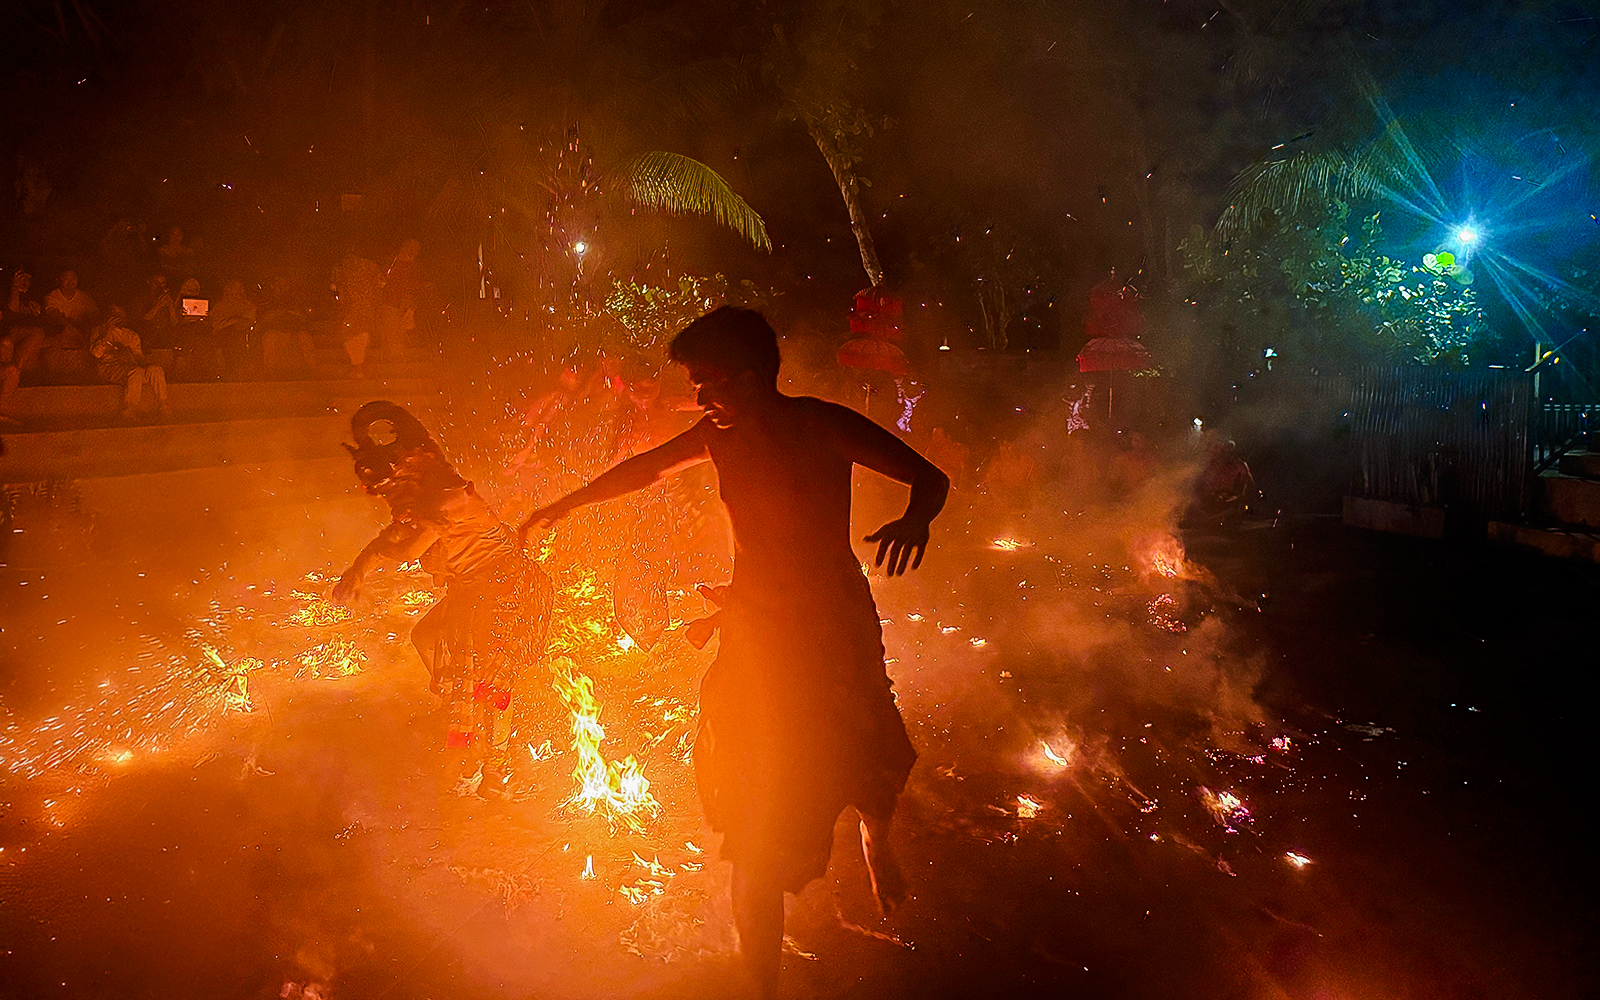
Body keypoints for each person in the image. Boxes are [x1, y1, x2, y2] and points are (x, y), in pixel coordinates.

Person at [518, 307, 948, 998]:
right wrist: (562, 506)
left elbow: (931, 478)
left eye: (709, 383)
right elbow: (643, 471)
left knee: (864, 736)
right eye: (695, 384)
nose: (700, 398)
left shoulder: (818, 423)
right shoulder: (716, 437)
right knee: (756, 811)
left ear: (751, 379)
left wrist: (915, 519)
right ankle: (761, 982)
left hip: (831, 623)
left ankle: (876, 837)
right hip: (755, 631)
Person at [333, 401, 553, 795]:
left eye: (391, 487)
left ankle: (495, 770)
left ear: (412, 472)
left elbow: (404, 550)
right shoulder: (424, 505)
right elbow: (396, 540)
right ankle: (463, 725)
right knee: (428, 638)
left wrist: (360, 569)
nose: (388, 498)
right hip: (472, 592)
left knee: (491, 688)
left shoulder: (450, 501)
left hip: (506, 594)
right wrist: (358, 570)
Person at [91, 306, 170, 421]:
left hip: (128, 367)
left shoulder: (131, 335)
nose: (117, 319)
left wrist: (142, 361)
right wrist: (107, 333)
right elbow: (96, 354)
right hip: (108, 367)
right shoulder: (98, 331)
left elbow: (139, 358)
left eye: (119, 316)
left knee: (156, 370)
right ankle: (129, 409)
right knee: (136, 372)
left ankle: (163, 405)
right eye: (113, 315)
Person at [1, 270, 47, 424]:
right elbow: (11, 311)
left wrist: (35, 314)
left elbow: (41, 323)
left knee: (12, 370)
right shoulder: (6, 291)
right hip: (7, 337)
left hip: (19, 339)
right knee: (5, 344)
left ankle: (1, 410)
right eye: (20, 278)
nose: (23, 282)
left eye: (27, 278)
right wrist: (14, 289)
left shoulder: (34, 296)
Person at [332, 251, 384, 379]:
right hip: (366, 309)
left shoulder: (340, 267)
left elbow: (334, 289)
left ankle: (358, 368)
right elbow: (382, 283)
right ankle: (359, 368)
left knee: (351, 337)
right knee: (359, 336)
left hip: (350, 310)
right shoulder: (370, 265)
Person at [379, 238, 422, 357]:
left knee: (396, 328)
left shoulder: (402, 263)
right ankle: (395, 355)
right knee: (394, 328)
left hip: (399, 301)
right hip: (395, 300)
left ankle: (396, 354)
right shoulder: (397, 262)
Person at [211, 279, 257, 377]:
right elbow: (216, 324)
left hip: (241, 337)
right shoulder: (220, 306)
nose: (239, 291)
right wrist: (232, 321)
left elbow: (248, 322)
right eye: (235, 288)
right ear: (228, 290)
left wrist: (233, 322)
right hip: (222, 337)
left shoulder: (248, 305)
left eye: (240, 288)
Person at [43, 270, 99, 348]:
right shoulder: (52, 297)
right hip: (57, 340)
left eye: (73, 278)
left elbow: (95, 318)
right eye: (66, 279)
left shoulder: (85, 299)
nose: (70, 282)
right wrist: (69, 326)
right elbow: (54, 313)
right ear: (59, 280)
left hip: (80, 340)